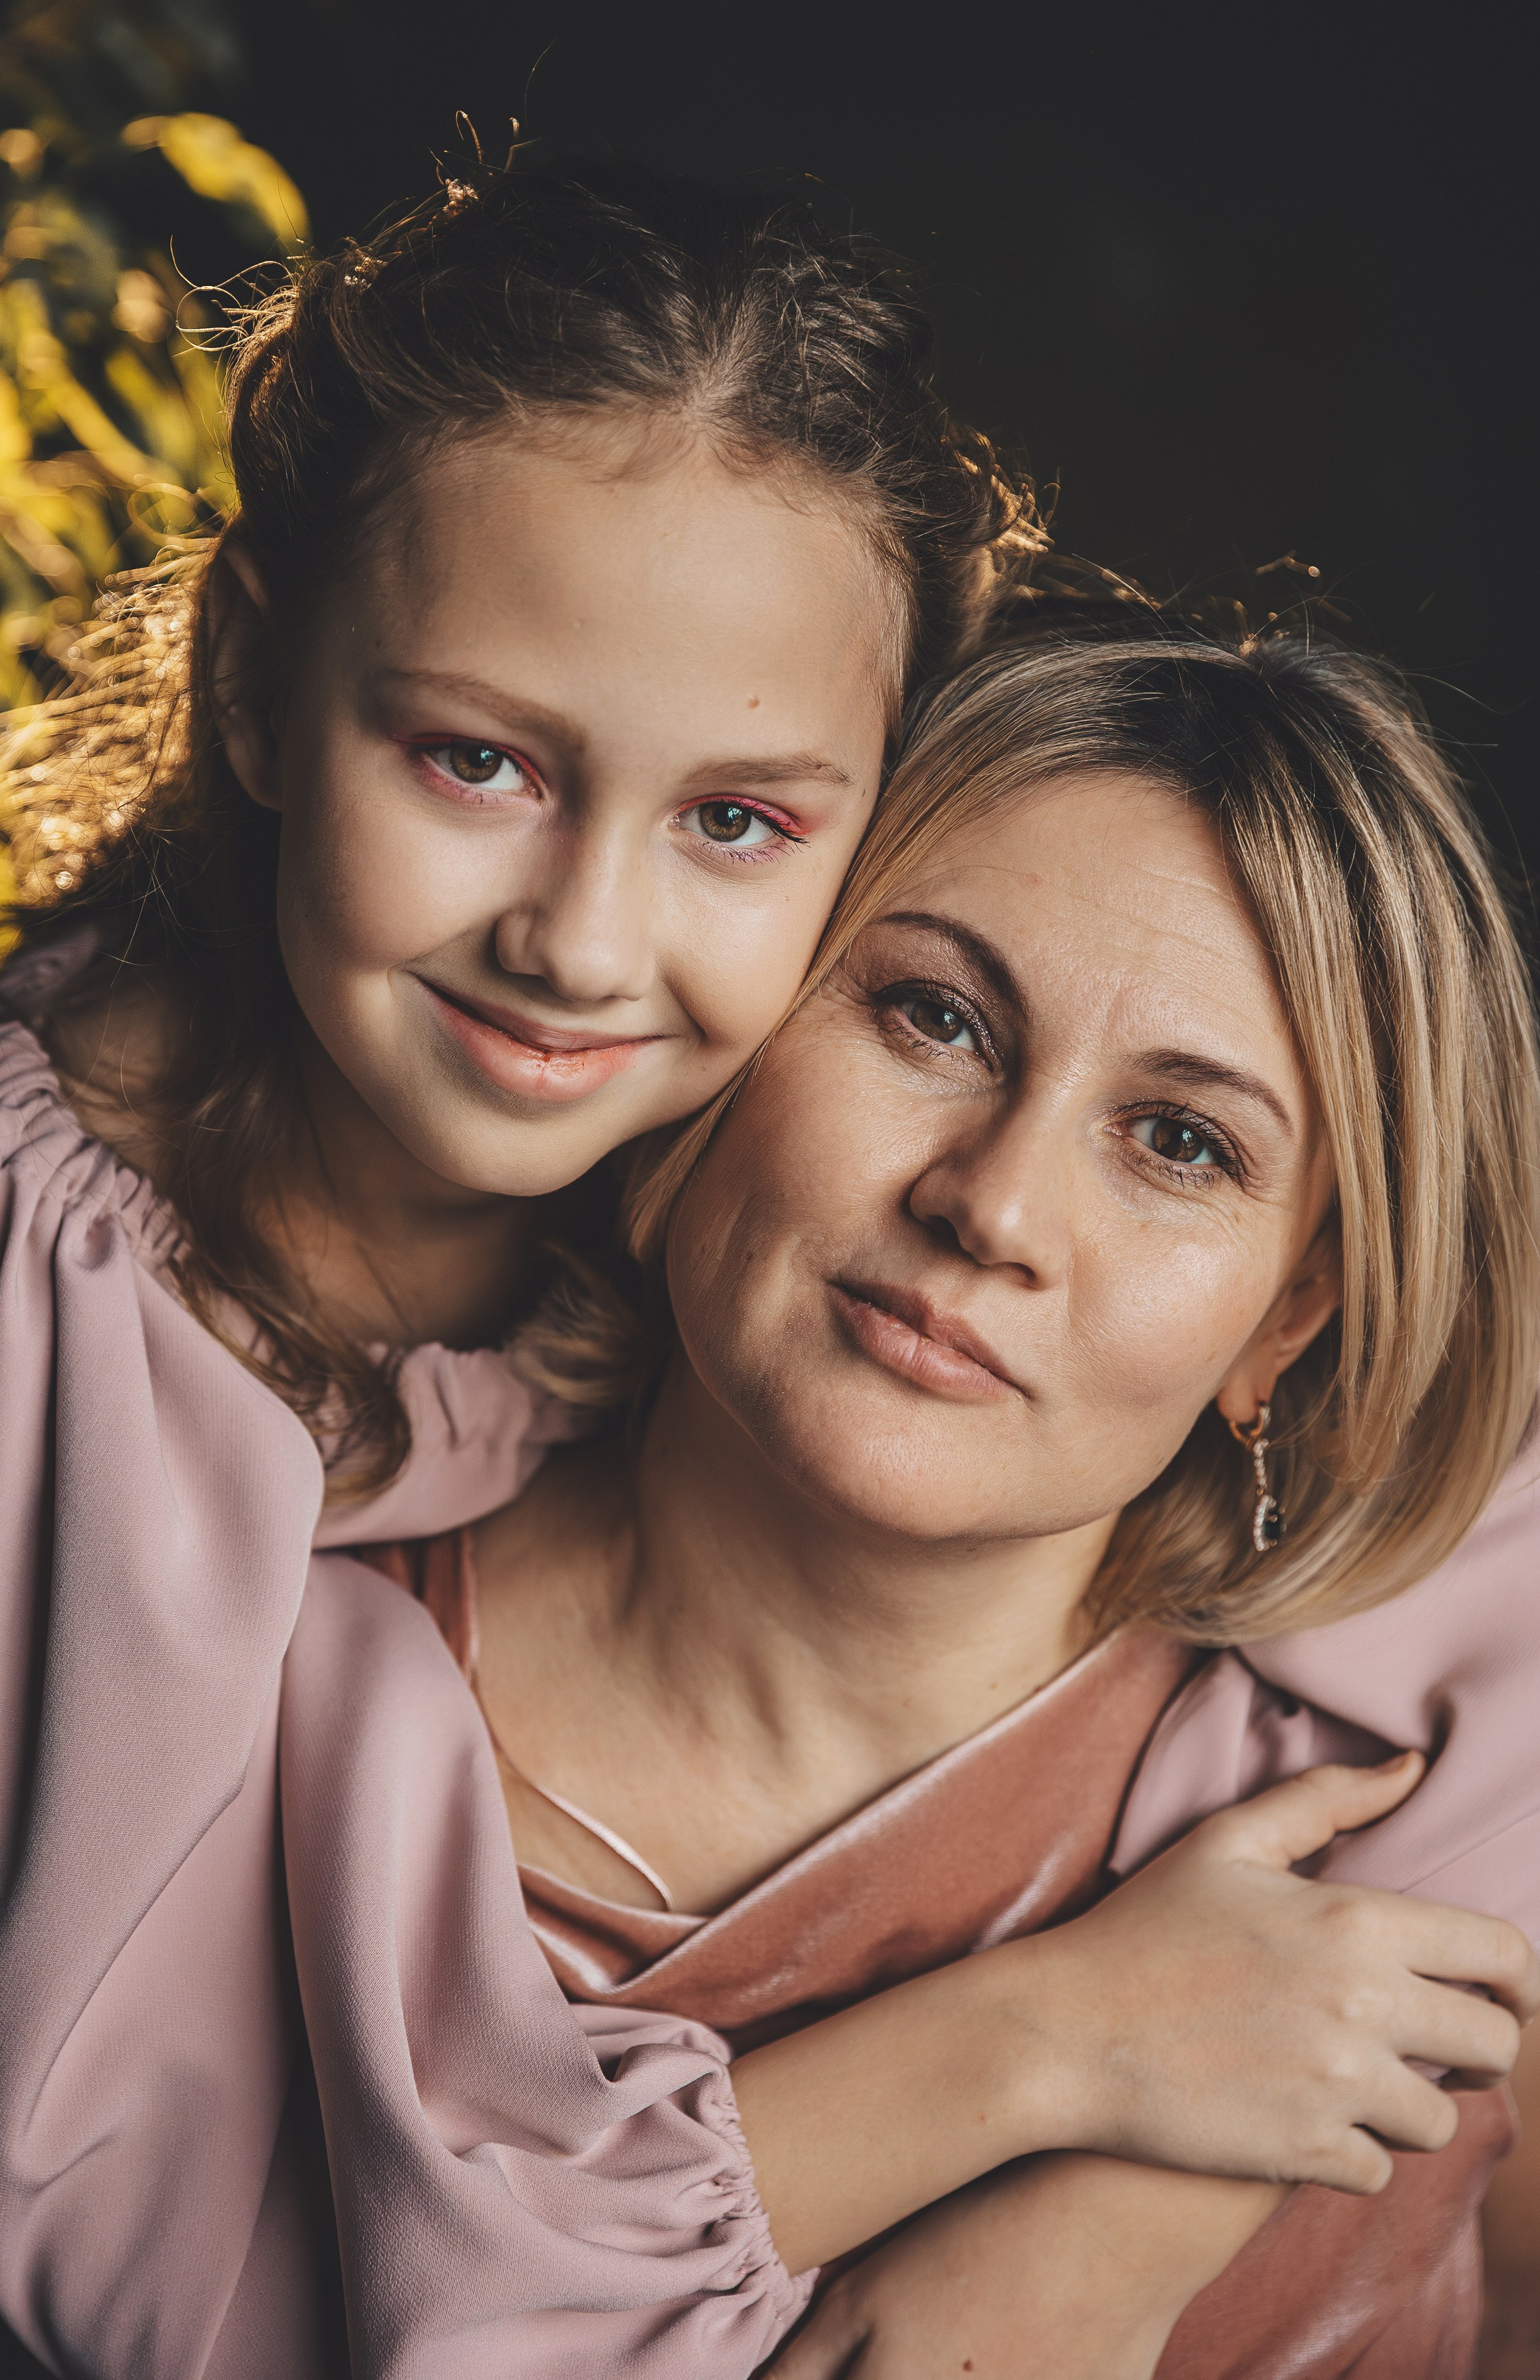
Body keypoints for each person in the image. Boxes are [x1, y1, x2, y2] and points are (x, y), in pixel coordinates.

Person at [0, 152, 1533, 2375]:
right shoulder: (78, 1271)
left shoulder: (671, 1139)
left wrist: (1137, 2191)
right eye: (473, 760)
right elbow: (186, 2283)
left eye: (738, 819)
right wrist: (1032, 2059)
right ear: (254, 678)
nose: (584, 943)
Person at [356, 608, 1540, 2377]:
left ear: (1284, 1320)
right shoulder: (289, 1707)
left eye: (1181, 1142)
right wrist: (1038, 2049)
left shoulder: (1393, 1827)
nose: (993, 1205)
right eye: (935, 1017)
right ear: (731, 1021)